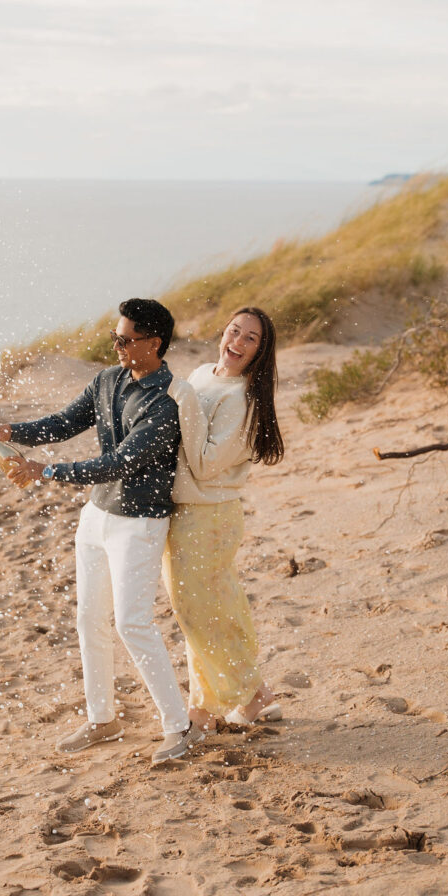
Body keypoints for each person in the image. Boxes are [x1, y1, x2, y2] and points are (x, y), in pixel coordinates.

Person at [0, 298, 203, 764]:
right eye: (115, 337)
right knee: (88, 620)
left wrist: (43, 472)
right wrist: (10, 430)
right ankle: (102, 719)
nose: (116, 345)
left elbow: (117, 463)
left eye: (125, 339)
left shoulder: (166, 403)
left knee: (132, 623)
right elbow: (63, 422)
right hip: (96, 518)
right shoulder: (107, 380)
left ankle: (179, 726)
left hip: (139, 523)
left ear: (153, 343)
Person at [162, 306, 285, 732]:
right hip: (186, 513)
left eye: (250, 338)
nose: (237, 342)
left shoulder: (241, 399)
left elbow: (205, 463)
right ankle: (219, 703)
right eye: (234, 331)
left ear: (260, 352)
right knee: (206, 611)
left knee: (198, 612)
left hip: (209, 516)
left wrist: (183, 398)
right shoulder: (200, 374)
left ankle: (241, 697)